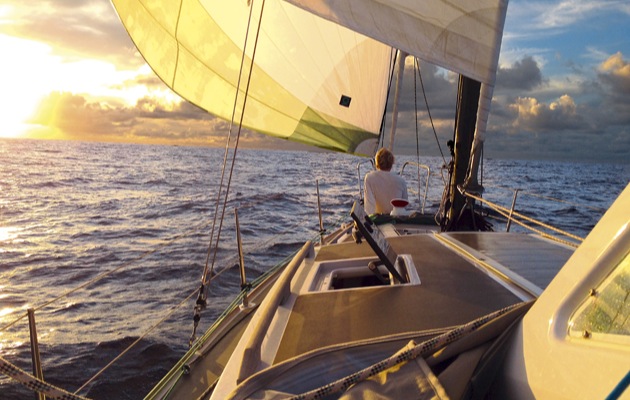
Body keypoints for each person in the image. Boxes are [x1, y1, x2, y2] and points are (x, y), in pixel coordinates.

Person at [363, 148, 408, 215]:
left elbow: (369, 207)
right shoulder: (401, 181)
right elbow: (405, 205)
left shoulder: (369, 178)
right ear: (391, 163)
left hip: (378, 220)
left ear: (377, 162)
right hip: (397, 220)